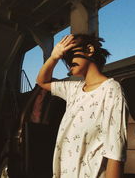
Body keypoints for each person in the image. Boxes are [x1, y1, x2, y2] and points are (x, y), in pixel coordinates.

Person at [36, 33, 128, 178]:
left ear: (89, 50)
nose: (66, 60)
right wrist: (54, 57)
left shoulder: (111, 89)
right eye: (63, 58)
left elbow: (115, 150)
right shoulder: (73, 89)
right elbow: (42, 82)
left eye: (70, 54)